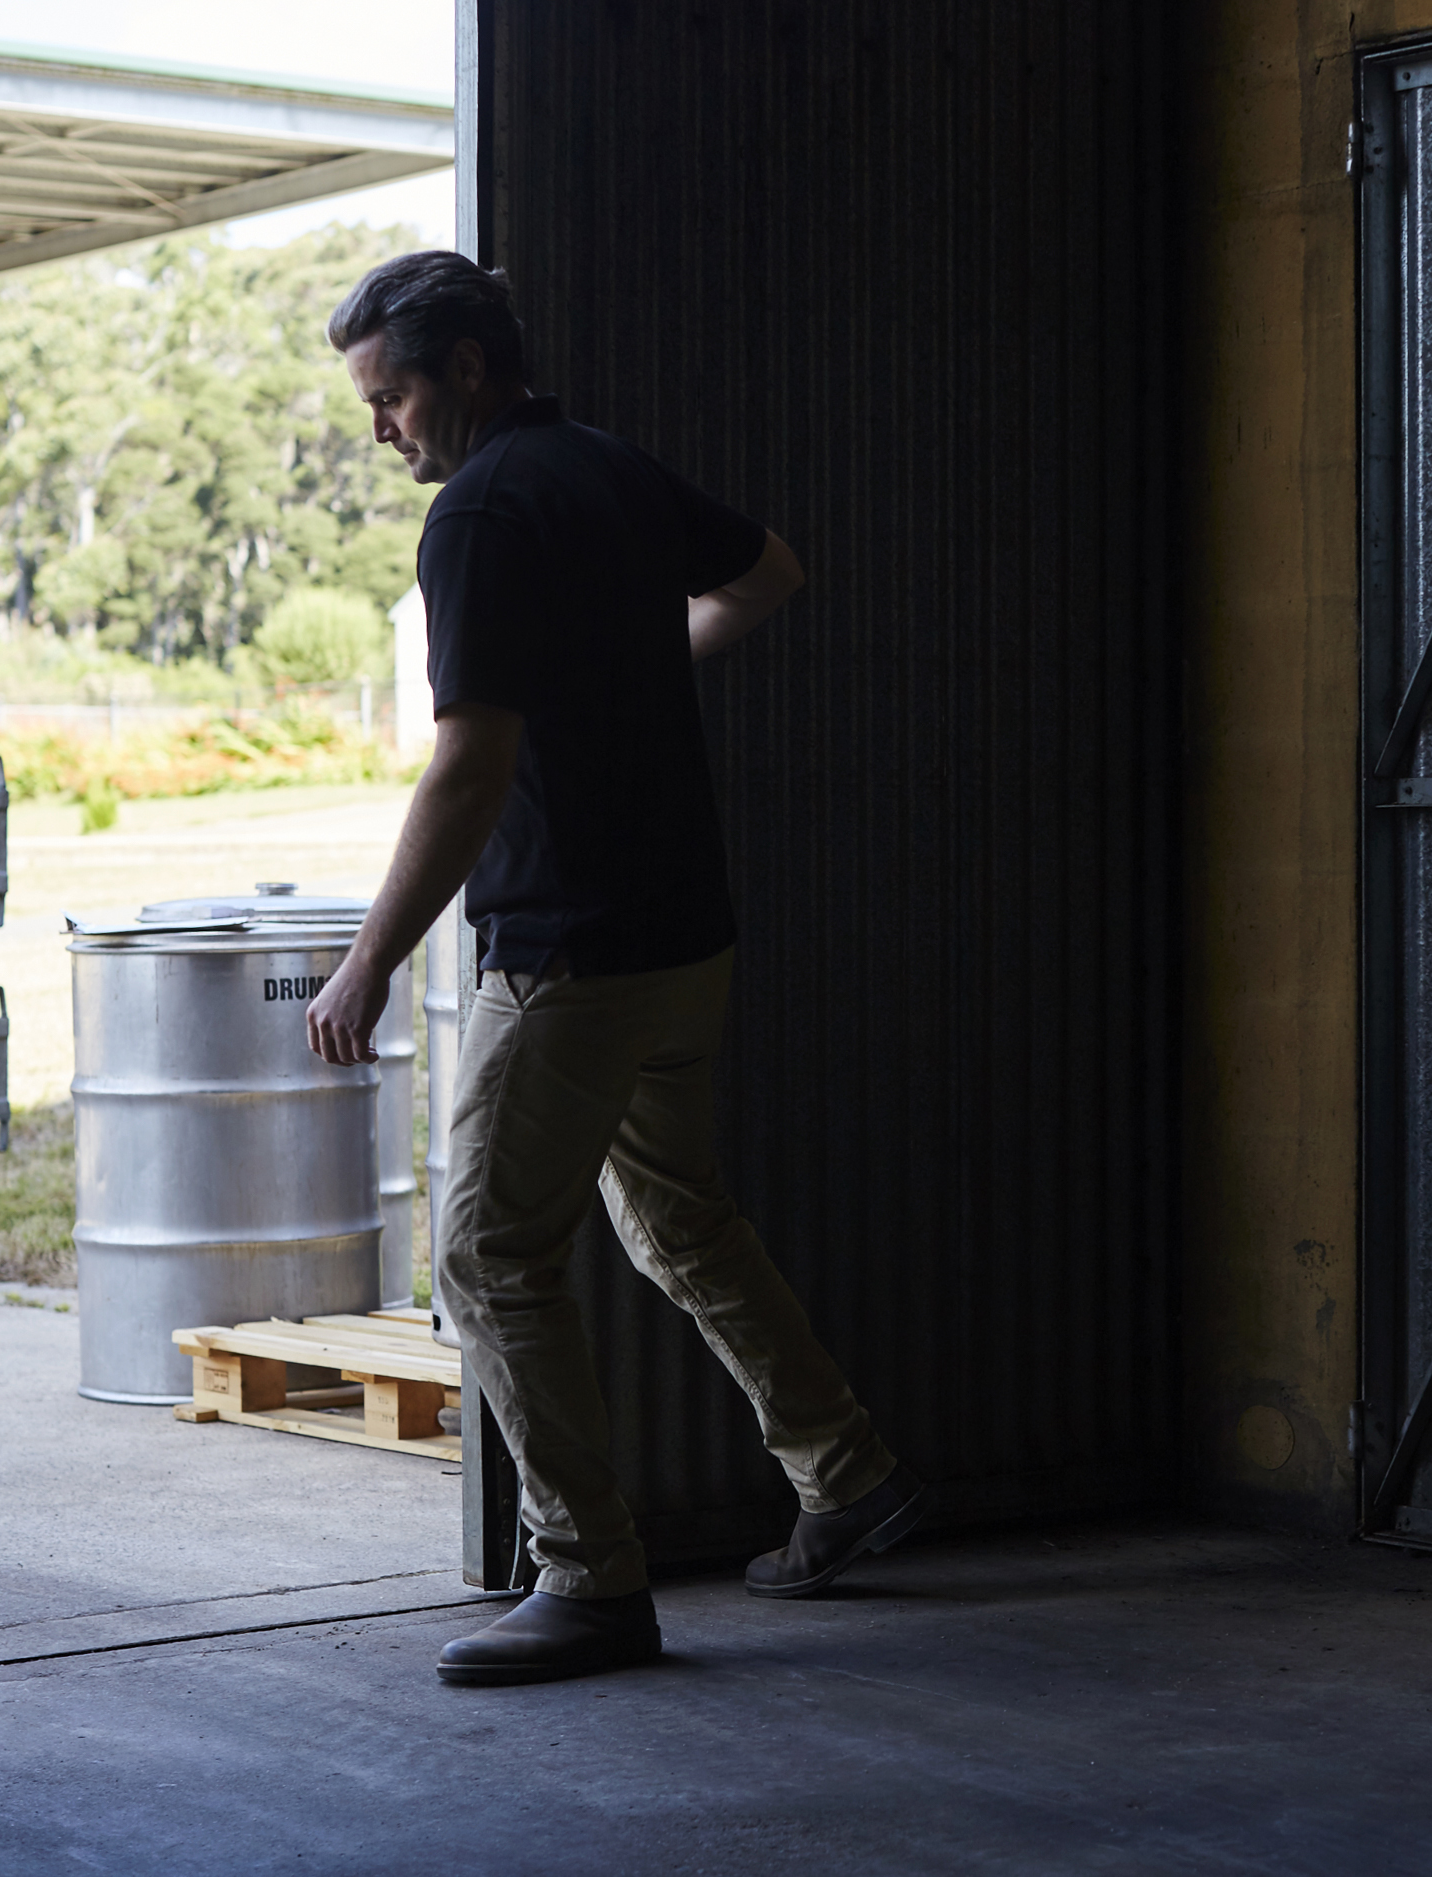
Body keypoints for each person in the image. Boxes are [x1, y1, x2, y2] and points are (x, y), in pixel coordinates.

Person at [302, 251, 922, 1688]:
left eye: (388, 398)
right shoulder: (609, 467)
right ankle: (846, 1471)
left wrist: (365, 964)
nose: (380, 429)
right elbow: (769, 574)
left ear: (463, 368)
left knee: (485, 1252)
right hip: (683, 933)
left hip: (569, 948)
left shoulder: (480, 514)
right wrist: (637, 674)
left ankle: (589, 1580)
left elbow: (469, 770)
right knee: (680, 1219)